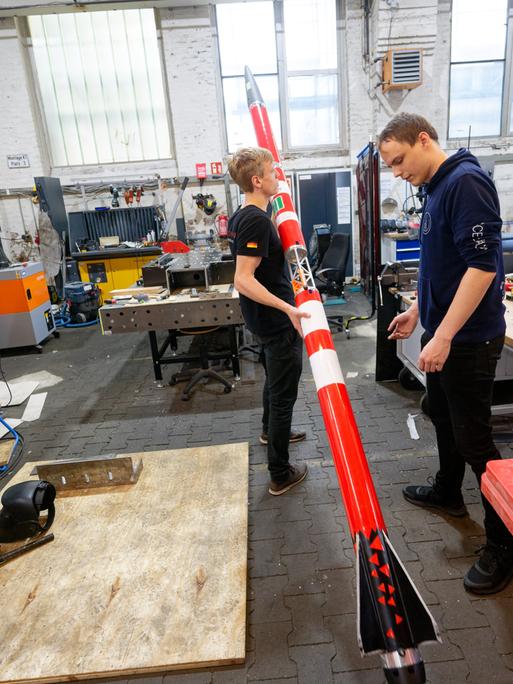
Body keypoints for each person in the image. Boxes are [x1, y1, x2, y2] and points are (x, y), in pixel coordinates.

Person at [379, 112, 513, 594]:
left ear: (423, 139)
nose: (397, 172)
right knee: (438, 408)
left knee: (476, 440)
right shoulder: (436, 188)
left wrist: (445, 336)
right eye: (390, 166)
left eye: (399, 161)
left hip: (470, 340)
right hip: (446, 333)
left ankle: (503, 543)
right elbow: (443, 266)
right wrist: (418, 312)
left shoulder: (467, 184)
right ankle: (448, 490)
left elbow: (481, 268)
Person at [227, 147, 309, 496]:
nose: (279, 178)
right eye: (273, 173)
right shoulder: (256, 220)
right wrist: (289, 309)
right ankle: (279, 472)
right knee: (284, 393)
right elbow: (243, 279)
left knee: (273, 381)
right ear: (257, 181)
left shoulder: (247, 213)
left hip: (264, 318)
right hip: (276, 320)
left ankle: (268, 430)